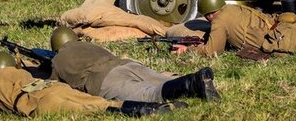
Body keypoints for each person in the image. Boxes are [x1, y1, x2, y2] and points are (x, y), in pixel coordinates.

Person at [0, 51, 180, 117]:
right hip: (54, 87)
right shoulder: (21, 72)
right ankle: (163, 106)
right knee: (100, 101)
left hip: (38, 101)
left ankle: (147, 111)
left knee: (96, 108)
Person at [47, 26, 219, 103]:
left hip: (104, 79)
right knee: (160, 80)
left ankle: (191, 84)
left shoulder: (58, 59)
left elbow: (53, 85)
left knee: (149, 95)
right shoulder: (87, 44)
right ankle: (198, 80)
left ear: (56, 47)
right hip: (126, 64)